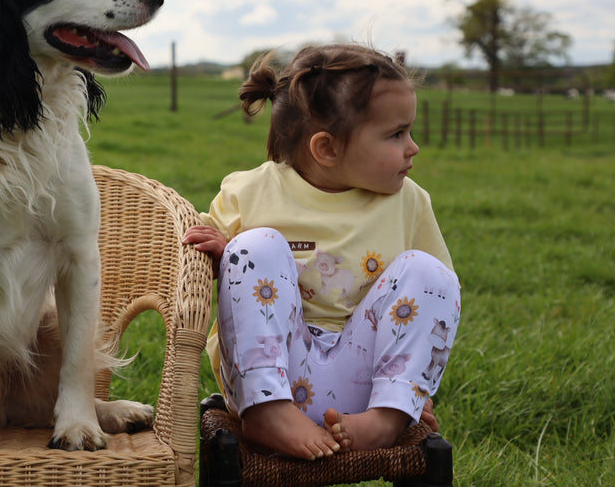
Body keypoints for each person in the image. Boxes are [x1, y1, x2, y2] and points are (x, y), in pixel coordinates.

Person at [183, 43, 461, 461]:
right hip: (268, 373)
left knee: (432, 274)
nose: (413, 147)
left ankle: (387, 418)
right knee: (255, 245)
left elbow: (431, 308)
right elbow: (196, 269)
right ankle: (268, 414)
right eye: (396, 134)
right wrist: (227, 257)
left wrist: (409, 387)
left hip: (363, 387)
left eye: (410, 131)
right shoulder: (249, 192)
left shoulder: (410, 202)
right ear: (327, 149)